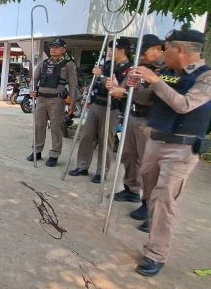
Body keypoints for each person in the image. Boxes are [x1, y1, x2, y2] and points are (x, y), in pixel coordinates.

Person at [126, 29, 211, 277]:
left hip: (181, 149)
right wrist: (134, 87)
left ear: (180, 49)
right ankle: (154, 237)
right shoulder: (169, 75)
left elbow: (184, 105)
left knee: (163, 199)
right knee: (151, 196)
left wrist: (155, 80)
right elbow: (148, 100)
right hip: (155, 142)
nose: (162, 54)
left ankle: (155, 254)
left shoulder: (209, 77)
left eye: (166, 48)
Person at [107, 34, 165, 223]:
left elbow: (154, 97)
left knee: (148, 163)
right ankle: (131, 189)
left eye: (144, 52)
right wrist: (117, 88)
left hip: (150, 120)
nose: (141, 57)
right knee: (128, 155)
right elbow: (125, 89)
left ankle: (149, 203)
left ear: (157, 49)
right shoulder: (139, 68)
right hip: (132, 116)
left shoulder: (165, 71)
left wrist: (125, 92)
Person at [68, 38, 133, 183]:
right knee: (86, 136)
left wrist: (101, 76)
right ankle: (82, 166)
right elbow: (97, 83)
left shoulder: (129, 69)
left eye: (111, 49)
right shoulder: (107, 64)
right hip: (96, 104)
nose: (109, 52)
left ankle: (101, 171)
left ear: (121, 51)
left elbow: (119, 89)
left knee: (105, 141)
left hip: (112, 108)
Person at [29, 38, 78, 167]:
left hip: (57, 100)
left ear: (63, 49)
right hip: (41, 99)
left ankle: (54, 154)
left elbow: (73, 85)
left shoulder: (69, 65)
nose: (53, 49)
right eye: (52, 47)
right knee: (39, 125)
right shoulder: (43, 63)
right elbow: (34, 79)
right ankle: (37, 150)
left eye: (56, 47)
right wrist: (32, 90)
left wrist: (72, 103)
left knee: (56, 127)